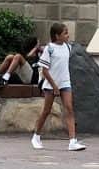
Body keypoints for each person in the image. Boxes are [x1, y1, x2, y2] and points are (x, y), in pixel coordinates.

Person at [30, 22, 85, 153]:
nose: (68, 35)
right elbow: (45, 70)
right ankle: (36, 136)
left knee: (69, 108)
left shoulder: (67, 47)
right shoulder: (49, 49)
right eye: (65, 33)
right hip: (51, 84)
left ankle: (72, 141)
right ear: (57, 35)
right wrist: (54, 86)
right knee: (46, 111)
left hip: (65, 82)